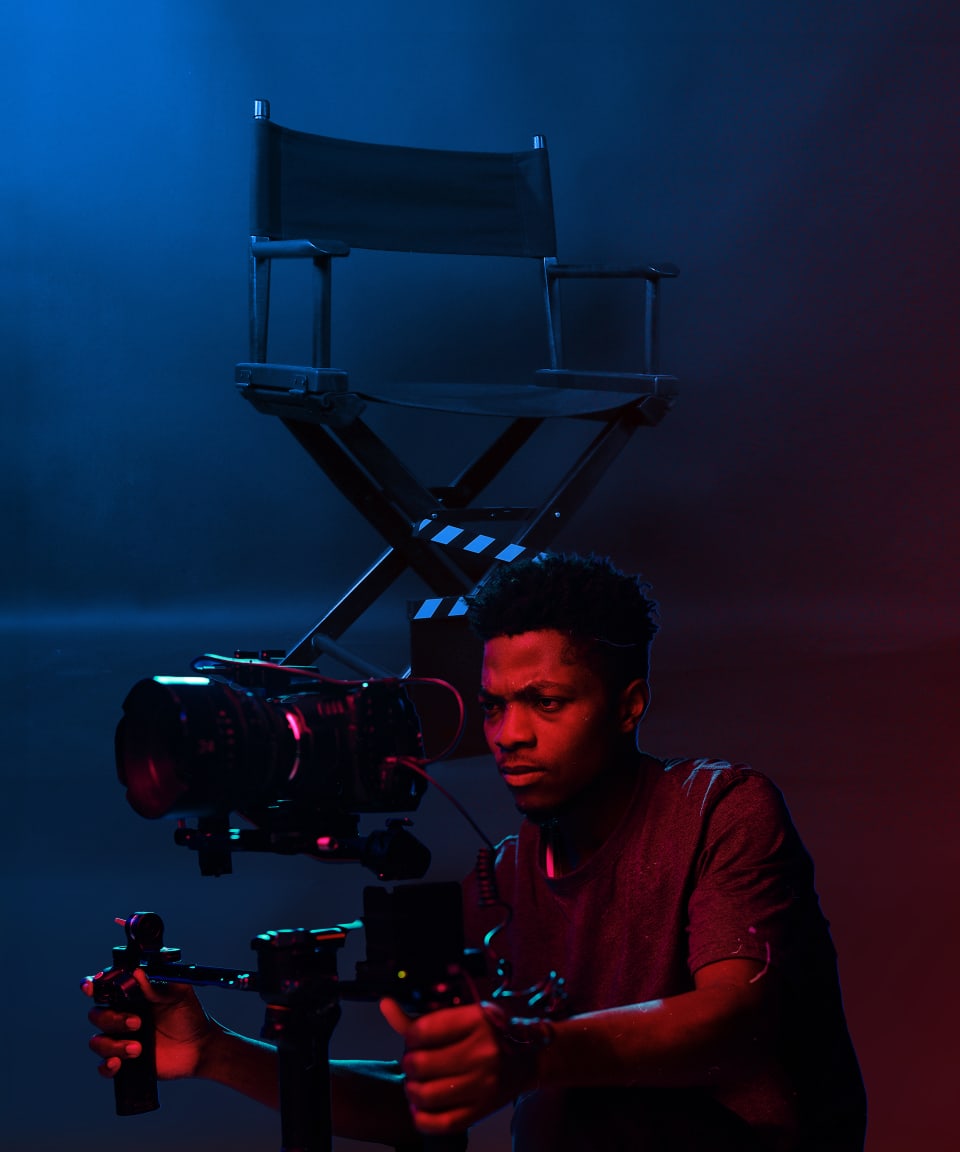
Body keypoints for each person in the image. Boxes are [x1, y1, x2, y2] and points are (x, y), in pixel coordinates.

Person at [87, 552, 866, 1150]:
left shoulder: (718, 808)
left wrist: (527, 1051)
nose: (509, 735)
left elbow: (735, 1017)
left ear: (630, 705)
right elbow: (424, 1097)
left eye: (546, 702)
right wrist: (218, 1053)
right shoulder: (506, 876)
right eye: (494, 707)